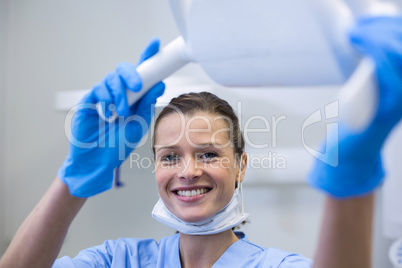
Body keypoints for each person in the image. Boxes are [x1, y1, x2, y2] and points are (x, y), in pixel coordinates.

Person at [0, 16, 401, 268]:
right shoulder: (116, 259)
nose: (188, 172)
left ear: (241, 165)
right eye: (170, 156)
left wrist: (352, 176)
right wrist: (73, 182)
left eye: (209, 153)